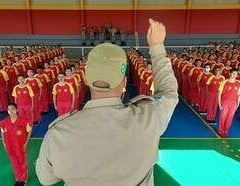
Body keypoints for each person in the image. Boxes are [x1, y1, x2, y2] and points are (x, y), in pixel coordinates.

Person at [36, 19, 178, 186]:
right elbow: (169, 93)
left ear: (86, 79)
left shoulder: (58, 132)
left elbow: (46, 179)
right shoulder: (148, 118)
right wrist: (156, 47)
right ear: (124, 83)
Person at [0, 103, 32, 186]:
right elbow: (2, 132)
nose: (11, 111)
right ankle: (18, 179)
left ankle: (24, 179)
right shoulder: (4, 122)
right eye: (9, 109)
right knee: (14, 163)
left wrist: (26, 143)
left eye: (13, 109)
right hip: (10, 147)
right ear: (7, 111)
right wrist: (4, 143)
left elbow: (29, 131)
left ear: (17, 110)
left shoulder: (23, 121)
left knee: (22, 162)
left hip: (20, 146)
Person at [218, 68, 240, 138]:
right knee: (223, 117)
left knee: (230, 118)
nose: (234, 75)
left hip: (233, 103)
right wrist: (219, 104)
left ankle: (225, 131)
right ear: (230, 73)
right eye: (233, 73)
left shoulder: (239, 83)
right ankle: (220, 131)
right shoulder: (224, 82)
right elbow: (219, 93)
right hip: (225, 102)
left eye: (236, 73)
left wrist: (238, 104)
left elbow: (239, 94)